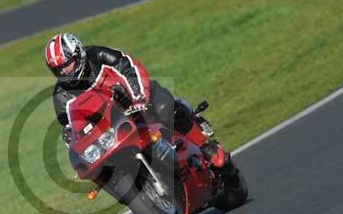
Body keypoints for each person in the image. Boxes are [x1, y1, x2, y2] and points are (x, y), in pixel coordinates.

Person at [44, 33, 226, 168]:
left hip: (139, 101)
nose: (64, 72)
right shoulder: (61, 97)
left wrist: (139, 97)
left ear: (79, 55)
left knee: (166, 109)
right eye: (58, 69)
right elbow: (72, 129)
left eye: (67, 65)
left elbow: (131, 69)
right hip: (114, 131)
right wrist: (73, 139)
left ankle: (204, 145)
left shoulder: (99, 56)